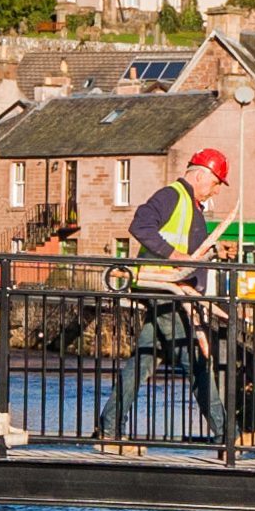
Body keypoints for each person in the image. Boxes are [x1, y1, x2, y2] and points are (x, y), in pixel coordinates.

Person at [95, 148, 235, 447]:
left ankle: (109, 429)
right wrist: (177, 258)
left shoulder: (190, 205)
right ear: (200, 175)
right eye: (215, 184)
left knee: (142, 363)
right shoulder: (172, 196)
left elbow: (188, 247)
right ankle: (228, 438)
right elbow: (140, 225)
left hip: (167, 293)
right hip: (165, 291)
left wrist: (216, 250)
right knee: (196, 362)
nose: (215, 192)